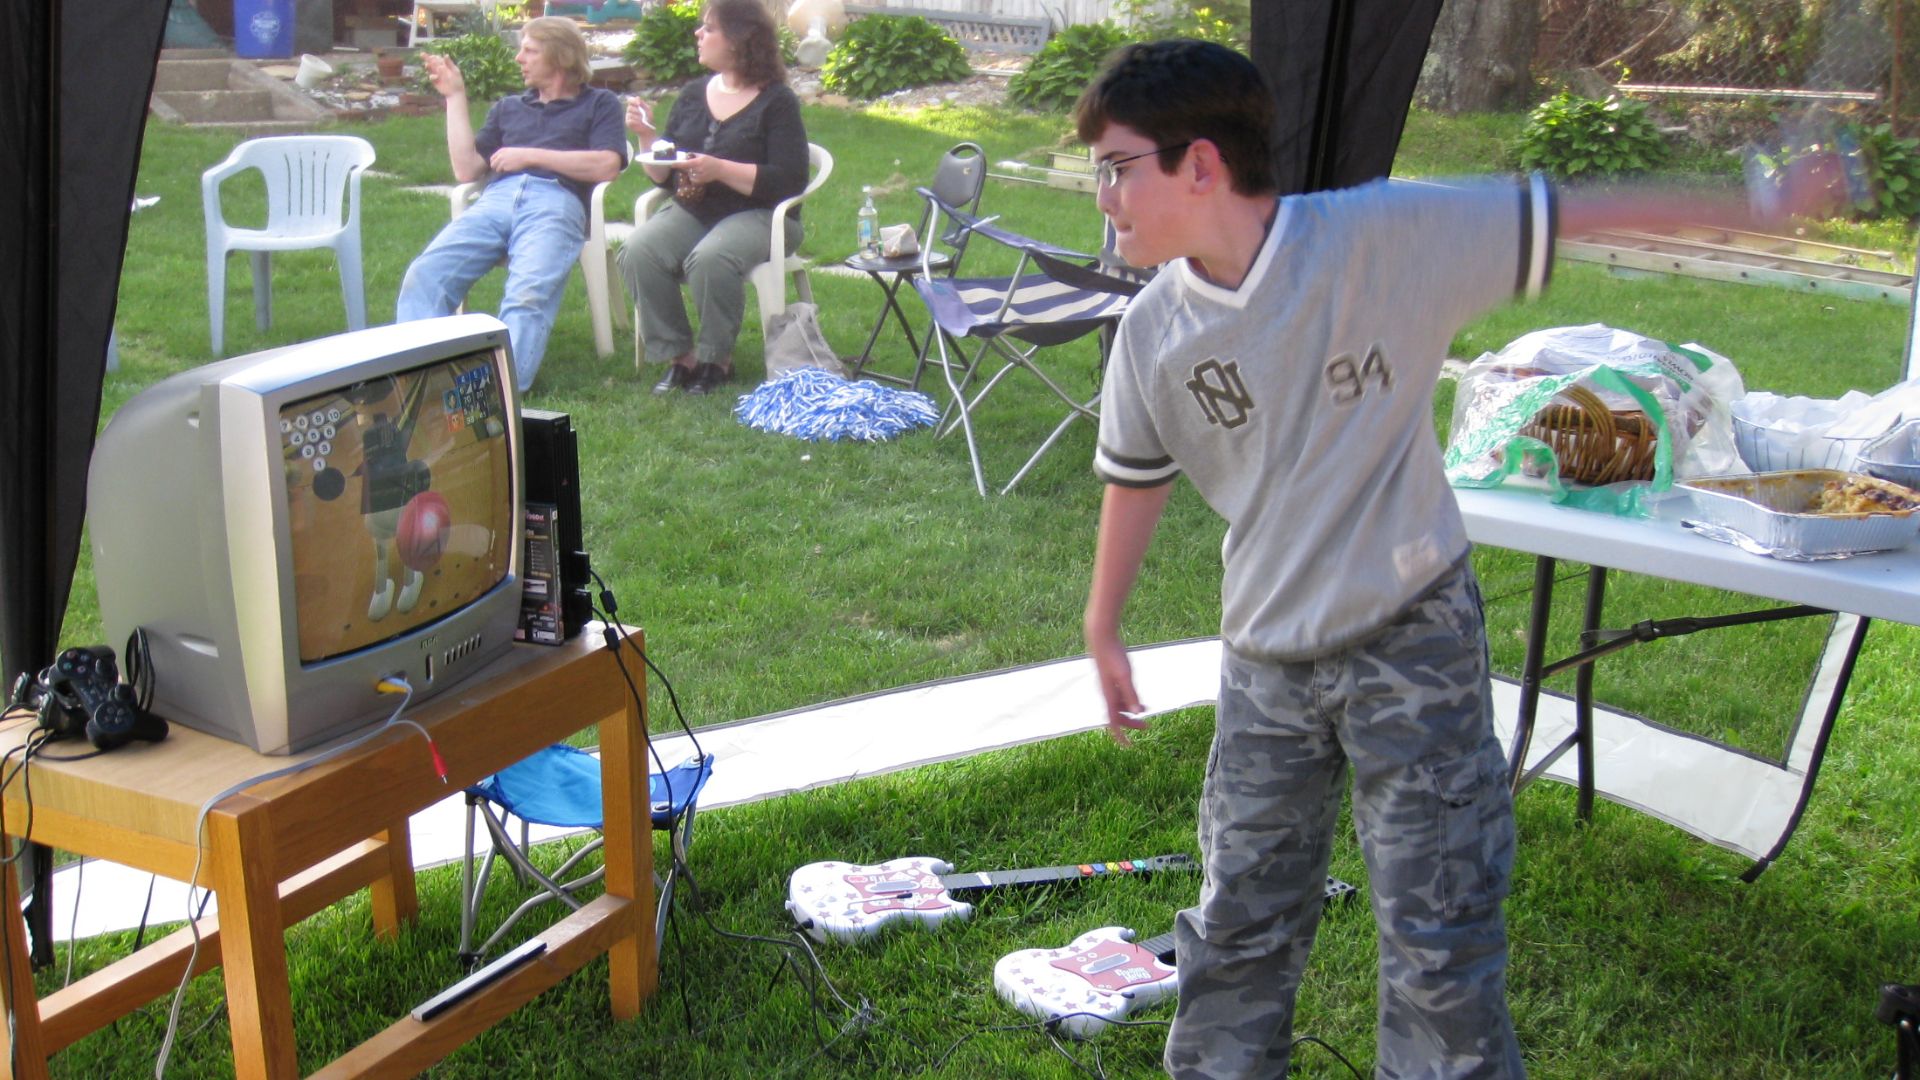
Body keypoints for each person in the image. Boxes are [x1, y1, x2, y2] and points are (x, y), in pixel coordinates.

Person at [1074, 39, 1837, 1080]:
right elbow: (1137, 475)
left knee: (1441, 937)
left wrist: (1765, 210)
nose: (1103, 195)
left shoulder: (1385, 241)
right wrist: (1103, 622)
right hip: (1265, 663)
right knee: (1239, 927)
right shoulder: (1153, 333)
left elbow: (1573, 212)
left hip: (1412, 644)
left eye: (1116, 167)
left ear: (1198, 163)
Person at [395, 16, 627, 394]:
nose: (519, 58)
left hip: (557, 201)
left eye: (530, 50)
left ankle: (497, 393)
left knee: (527, 294)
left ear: (562, 56)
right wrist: (455, 97)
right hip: (496, 200)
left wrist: (530, 155)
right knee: (425, 274)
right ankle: (423, 378)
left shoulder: (599, 103)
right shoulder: (508, 108)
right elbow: (466, 168)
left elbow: (607, 164)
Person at [618, 0, 810, 396]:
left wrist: (720, 168)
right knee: (637, 250)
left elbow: (789, 181)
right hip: (696, 207)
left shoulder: (777, 102)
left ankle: (716, 360)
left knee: (710, 257)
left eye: (709, 28)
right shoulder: (692, 95)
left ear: (740, 40)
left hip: (763, 215)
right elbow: (663, 176)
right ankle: (681, 357)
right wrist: (645, 136)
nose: (698, 35)